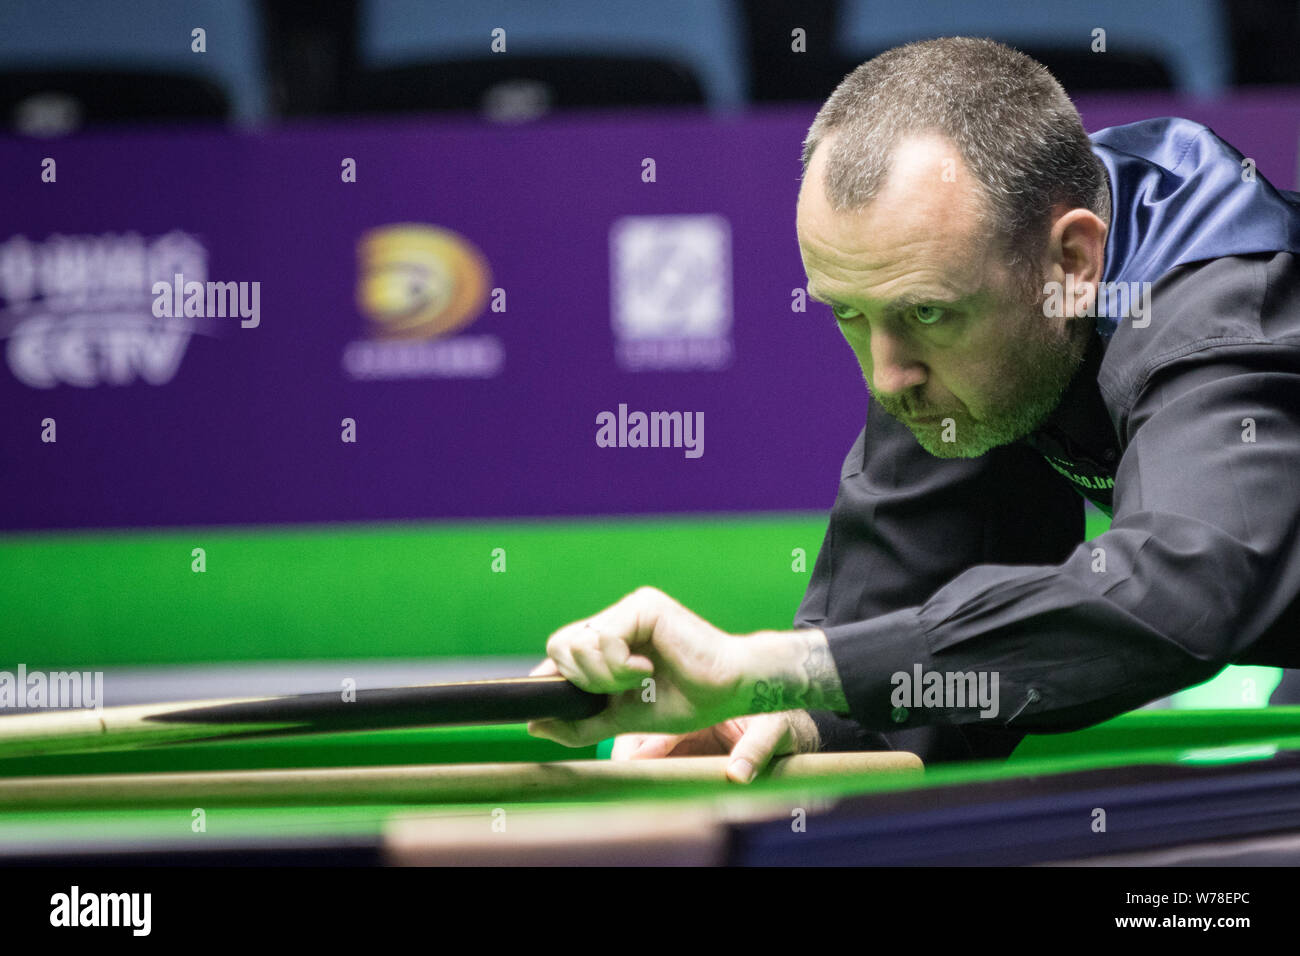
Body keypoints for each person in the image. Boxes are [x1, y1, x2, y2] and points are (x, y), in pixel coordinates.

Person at [528, 37, 1300, 782]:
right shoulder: (985, 289)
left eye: (925, 314)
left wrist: (771, 667)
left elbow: (1187, 590)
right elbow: (904, 631)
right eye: (849, 315)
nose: (888, 377)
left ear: (1073, 261)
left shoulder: (1220, 305)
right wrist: (786, 714)